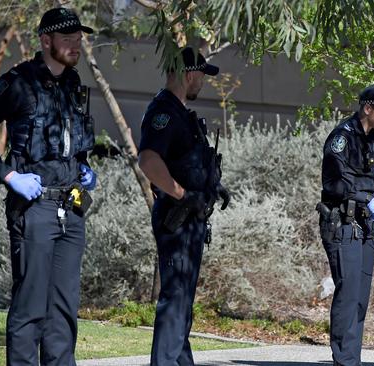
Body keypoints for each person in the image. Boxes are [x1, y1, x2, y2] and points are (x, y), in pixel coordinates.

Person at [0, 8, 97, 365]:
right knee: (30, 309)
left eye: (78, 39)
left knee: (63, 312)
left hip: (71, 210)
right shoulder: (18, 82)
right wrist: (9, 176)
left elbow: (69, 142)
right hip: (34, 209)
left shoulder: (72, 83)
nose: (76, 46)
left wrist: (85, 170)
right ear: (45, 41)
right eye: (67, 39)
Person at [138, 47, 230, 366]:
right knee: (175, 304)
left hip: (191, 220)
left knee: (182, 308)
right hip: (175, 219)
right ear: (190, 74)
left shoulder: (182, 115)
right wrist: (181, 195)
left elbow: (189, 165)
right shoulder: (163, 112)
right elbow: (149, 161)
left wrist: (212, 189)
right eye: (202, 75)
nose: (202, 82)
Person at [317, 83, 374, 366]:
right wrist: (366, 201)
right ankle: (344, 361)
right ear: (368, 108)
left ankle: (352, 358)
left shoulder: (370, 138)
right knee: (348, 293)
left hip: (362, 224)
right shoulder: (342, 138)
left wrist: (368, 209)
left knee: (360, 298)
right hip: (342, 223)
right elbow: (335, 183)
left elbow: (365, 180)